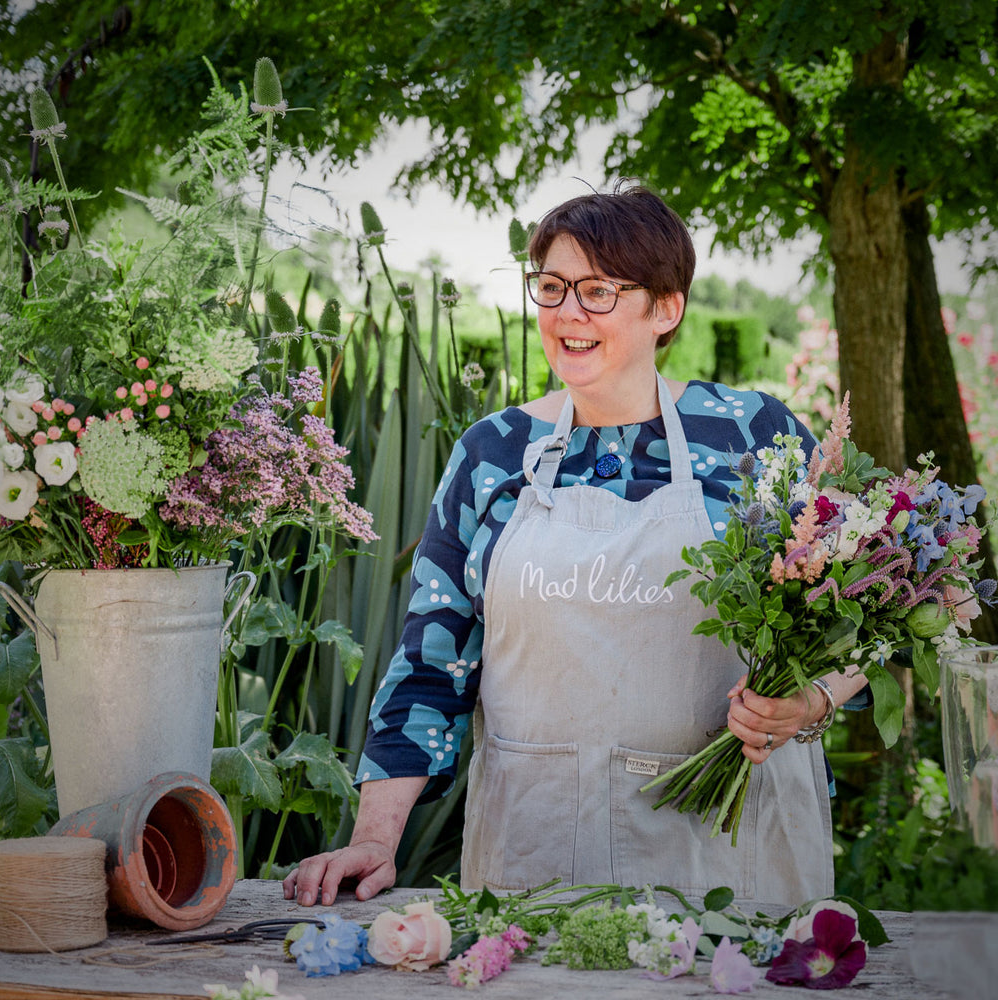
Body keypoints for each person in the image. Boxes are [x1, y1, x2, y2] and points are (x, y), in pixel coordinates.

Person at [283, 183, 870, 909]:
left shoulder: (754, 437)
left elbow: (863, 617)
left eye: (596, 291)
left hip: (730, 848)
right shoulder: (493, 453)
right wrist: (374, 838)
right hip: (538, 846)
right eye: (553, 288)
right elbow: (432, 666)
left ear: (665, 308)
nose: (566, 313)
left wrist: (808, 704)